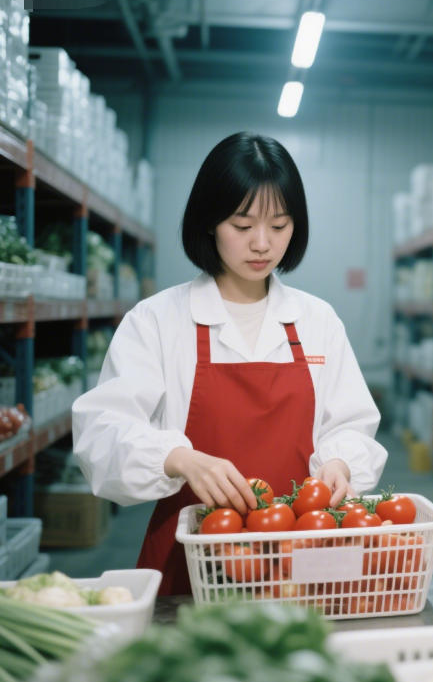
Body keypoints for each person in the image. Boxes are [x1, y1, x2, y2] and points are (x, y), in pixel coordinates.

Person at [73, 132, 387, 594]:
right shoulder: (158, 320)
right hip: (195, 551)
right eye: (243, 226)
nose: (262, 244)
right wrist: (178, 458)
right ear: (208, 223)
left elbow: (350, 422)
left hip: (300, 553)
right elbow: (101, 435)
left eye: (279, 226)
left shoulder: (317, 321)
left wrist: (341, 461)